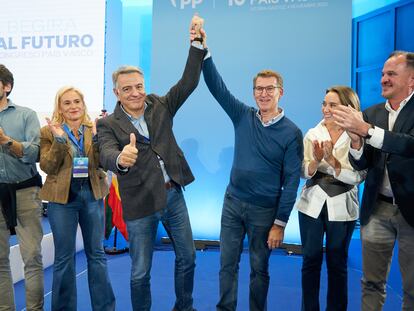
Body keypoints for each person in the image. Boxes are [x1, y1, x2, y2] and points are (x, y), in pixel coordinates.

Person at [96, 16, 207, 311]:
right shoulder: (107, 124)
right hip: (140, 201)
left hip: (173, 195)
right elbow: (104, 152)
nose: (135, 92)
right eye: (127, 88)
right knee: (140, 272)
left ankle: (184, 307)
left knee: (189, 258)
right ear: (116, 93)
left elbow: (188, 82)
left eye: (139, 86)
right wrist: (120, 159)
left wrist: (196, 43)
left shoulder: (160, 104)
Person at [202, 42, 303, 310]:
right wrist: (205, 53)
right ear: (254, 92)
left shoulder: (292, 133)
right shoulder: (242, 116)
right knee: (227, 265)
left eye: (270, 88)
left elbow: (292, 180)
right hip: (232, 203)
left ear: (280, 92)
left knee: (259, 269)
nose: (264, 93)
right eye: (259, 88)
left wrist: (280, 223)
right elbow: (217, 88)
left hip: (264, 211)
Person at [333, 51, 414, 310]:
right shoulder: (370, 113)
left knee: (412, 288)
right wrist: (356, 143)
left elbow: (409, 146)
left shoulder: (368, 122)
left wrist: (366, 131)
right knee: (371, 282)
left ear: (411, 80)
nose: (383, 79)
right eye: (382, 74)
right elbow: (363, 162)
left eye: (391, 74)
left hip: (411, 212)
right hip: (376, 209)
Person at [39, 86, 115, 311]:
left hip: (91, 194)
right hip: (62, 199)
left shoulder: (97, 129)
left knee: (97, 254)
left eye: (76, 102)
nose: (73, 107)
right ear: (59, 108)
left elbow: (102, 162)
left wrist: (107, 135)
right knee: (64, 258)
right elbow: (48, 166)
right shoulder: (48, 132)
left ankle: (104, 308)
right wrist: (60, 141)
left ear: (83, 104)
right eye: (67, 103)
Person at [296, 86, 365, 311]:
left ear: (347, 107)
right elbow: (304, 171)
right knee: (310, 260)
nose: (326, 109)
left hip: (343, 204)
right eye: (324, 103)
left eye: (332, 105)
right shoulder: (312, 134)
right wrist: (316, 161)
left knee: (337, 263)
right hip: (311, 204)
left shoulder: (359, 134)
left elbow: (358, 176)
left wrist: (334, 163)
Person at [0, 64, 44, 310]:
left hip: (26, 191)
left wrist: (7, 142)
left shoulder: (26, 114)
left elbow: (35, 153)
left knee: (32, 257)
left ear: (7, 86)